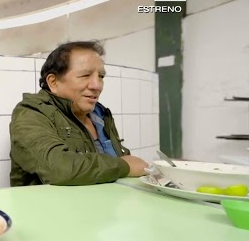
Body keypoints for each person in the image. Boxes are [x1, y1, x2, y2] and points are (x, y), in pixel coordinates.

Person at [9, 40, 149, 186]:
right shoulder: (31, 113)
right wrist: (124, 166)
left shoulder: (100, 115)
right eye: (85, 75)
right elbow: (60, 169)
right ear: (53, 82)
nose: (97, 86)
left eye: (101, 76)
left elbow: (116, 162)